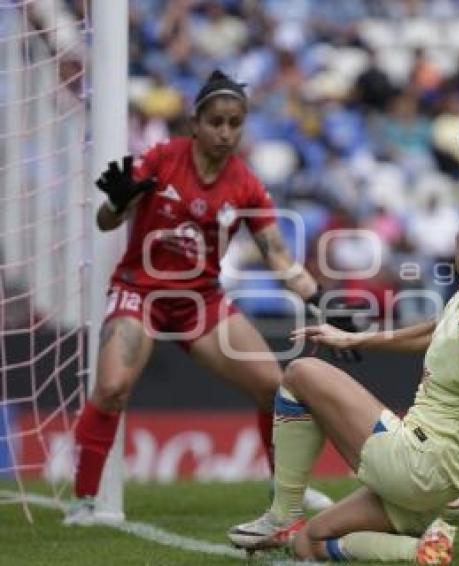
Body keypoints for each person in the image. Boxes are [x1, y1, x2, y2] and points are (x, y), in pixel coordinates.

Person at [66, 70, 340, 523]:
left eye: (235, 123)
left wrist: (322, 299)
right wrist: (115, 203)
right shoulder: (161, 159)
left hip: (201, 302)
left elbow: (278, 257)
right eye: (217, 121)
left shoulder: (246, 184)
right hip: (141, 292)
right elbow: (104, 221)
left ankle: (285, 486)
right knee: (112, 387)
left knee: (275, 387)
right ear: (195, 122)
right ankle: (84, 500)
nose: (225, 132)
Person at [228, 195, 459, 564]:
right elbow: (435, 332)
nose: (455, 237)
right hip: (446, 487)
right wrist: (356, 338)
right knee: (308, 543)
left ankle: (283, 514)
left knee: (299, 373)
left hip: (421, 465)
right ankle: (417, 551)